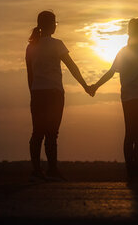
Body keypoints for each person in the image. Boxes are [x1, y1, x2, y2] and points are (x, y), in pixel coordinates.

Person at [25, 10, 92, 181]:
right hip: (54, 93)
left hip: (38, 93)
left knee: (37, 133)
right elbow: (72, 67)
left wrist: (33, 93)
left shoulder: (31, 47)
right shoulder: (57, 44)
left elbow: (30, 75)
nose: (56, 25)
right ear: (50, 25)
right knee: (51, 133)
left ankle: (37, 171)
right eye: (55, 22)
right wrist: (85, 85)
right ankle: (52, 170)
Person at [89, 18, 138, 182]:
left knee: (130, 134)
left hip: (128, 98)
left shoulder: (123, 52)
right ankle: (136, 173)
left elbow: (111, 72)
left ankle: (131, 173)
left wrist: (95, 86)